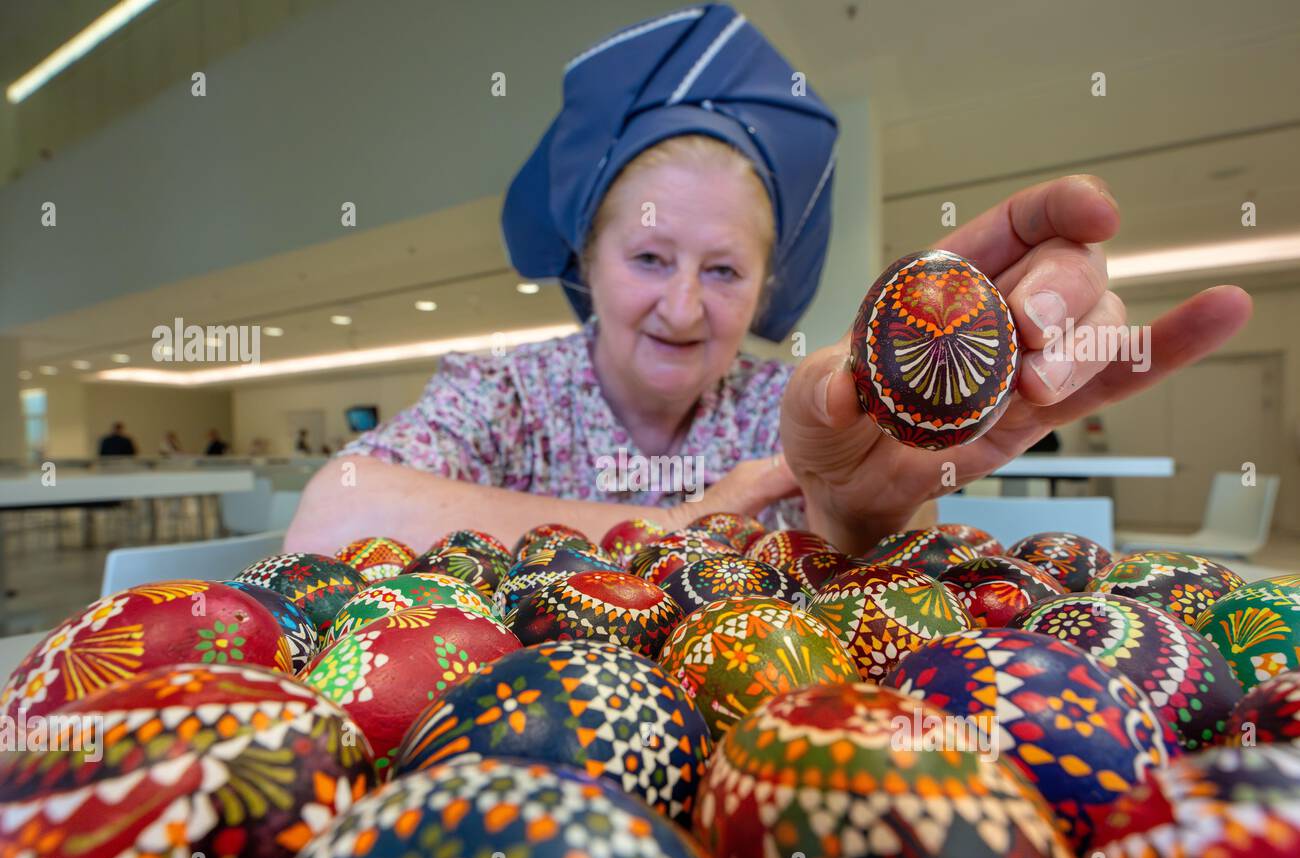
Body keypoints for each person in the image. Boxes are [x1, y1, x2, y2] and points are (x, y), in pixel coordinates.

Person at [285, 4, 1251, 556]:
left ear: (765, 287)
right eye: (650, 258)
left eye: (724, 270)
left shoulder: (798, 414)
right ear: (586, 261)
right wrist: (673, 526)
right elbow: (335, 514)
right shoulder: (502, 393)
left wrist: (863, 511)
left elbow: (855, 587)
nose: (682, 304)